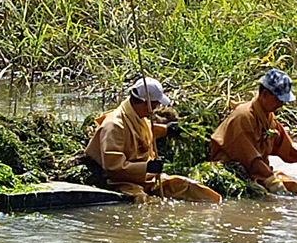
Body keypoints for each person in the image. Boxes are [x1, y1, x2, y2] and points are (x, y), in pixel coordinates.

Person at [85, 77, 222, 204]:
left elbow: (143, 133)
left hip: (146, 178)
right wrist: (147, 167)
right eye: (155, 105)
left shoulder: (138, 117)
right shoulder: (114, 125)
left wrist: (167, 130)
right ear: (146, 103)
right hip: (121, 181)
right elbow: (113, 167)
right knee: (144, 201)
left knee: (187, 187)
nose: (154, 110)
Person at [211, 68, 297, 195]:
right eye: (279, 99)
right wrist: (271, 180)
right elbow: (250, 159)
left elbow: (285, 147)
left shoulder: (268, 117)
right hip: (235, 174)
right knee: (265, 196)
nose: (281, 104)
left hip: (257, 174)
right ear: (264, 95)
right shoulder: (243, 118)